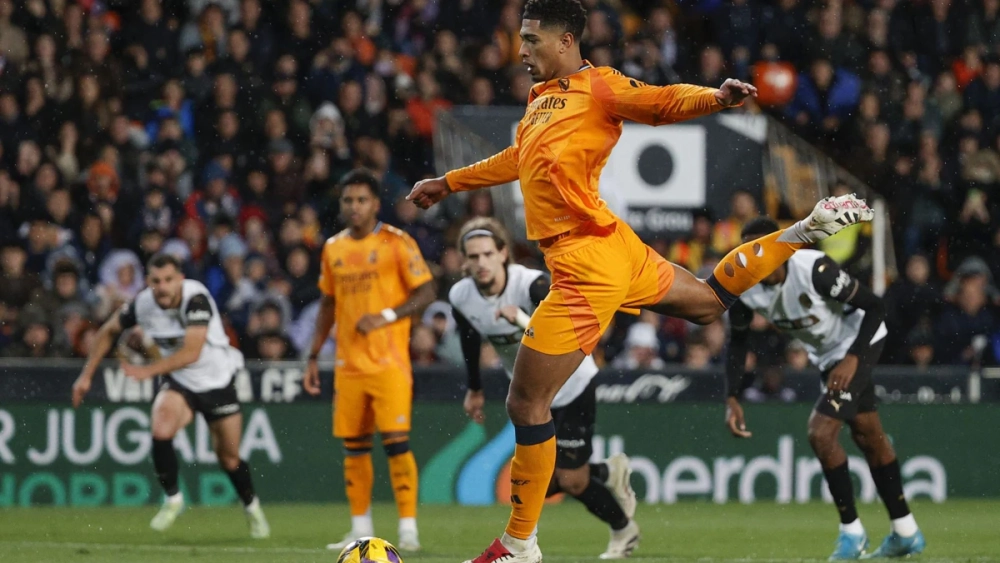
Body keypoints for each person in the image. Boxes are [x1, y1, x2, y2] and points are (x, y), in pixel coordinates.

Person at [407, 1, 873, 561]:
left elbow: (657, 101)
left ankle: (519, 544)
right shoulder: (540, 102)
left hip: (585, 264)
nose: (521, 50)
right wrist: (449, 182)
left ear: (565, 41)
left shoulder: (597, 86)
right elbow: (518, 159)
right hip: (613, 248)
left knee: (527, 403)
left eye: (531, 40)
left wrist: (713, 97)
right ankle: (804, 229)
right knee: (707, 303)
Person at [724, 217, 926, 560]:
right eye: (747, 251)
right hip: (829, 356)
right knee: (868, 435)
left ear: (781, 248)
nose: (754, 258)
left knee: (820, 433)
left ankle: (852, 533)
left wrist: (852, 358)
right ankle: (906, 532)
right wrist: (732, 395)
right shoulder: (745, 290)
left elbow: (876, 306)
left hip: (859, 342)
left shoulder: (815, 270)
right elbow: (737, 342)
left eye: (761, 248)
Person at [449, 217, 639, 559]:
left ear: (504, 253)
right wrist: (474, 388)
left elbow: (570, 324)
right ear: (464, 260)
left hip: (573, 383)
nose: (480, 263)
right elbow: (469, 340)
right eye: (473, 257)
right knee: (543, 479)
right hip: (533, 396)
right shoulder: (461, 296)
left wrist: (523, 320)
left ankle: (623, 529)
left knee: (567, 480)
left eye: (487, 254)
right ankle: (607, 473)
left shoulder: (531, 285)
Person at [71, 253, 269, 538]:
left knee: (228, 457)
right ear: (147, 282)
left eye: (168, 280)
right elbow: (108, 330)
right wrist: (86, 375)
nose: (162, 287)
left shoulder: (196, 299)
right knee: (161, 425)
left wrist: (149, 371)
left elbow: (192, 352)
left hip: (218, 381)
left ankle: (252, 508)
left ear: (180, 280)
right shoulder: (143, 303)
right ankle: (173, 498)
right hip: (181, 382)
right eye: (155, 281)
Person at [303, 169, 436, 552]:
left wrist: (388, 316)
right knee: (355, 448)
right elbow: (328, 303)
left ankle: (408, 528)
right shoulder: (333, 249)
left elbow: (427, 291)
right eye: (348, 200)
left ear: (375, 204)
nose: (355, 207)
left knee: (396, 444)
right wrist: (313, 354)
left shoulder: (397, 242)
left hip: (389, 364)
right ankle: (359, 528)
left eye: (362, 200)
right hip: (348, 366)